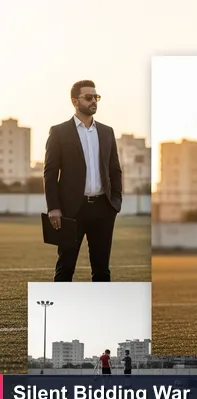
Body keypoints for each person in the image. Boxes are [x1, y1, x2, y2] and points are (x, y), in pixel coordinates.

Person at [43, 80, 123, 282]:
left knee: (102, 271)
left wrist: (115, 202)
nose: (93, 101)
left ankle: (100, 313)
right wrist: (54, 207)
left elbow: (115, 170)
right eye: (88, 97)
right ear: (74, 101)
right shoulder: (59, 132)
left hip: (104, 208)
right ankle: (59, 313)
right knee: (65, 268)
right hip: (71, 211)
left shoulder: (107, 132)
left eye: (96, 97)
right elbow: (50, 173)